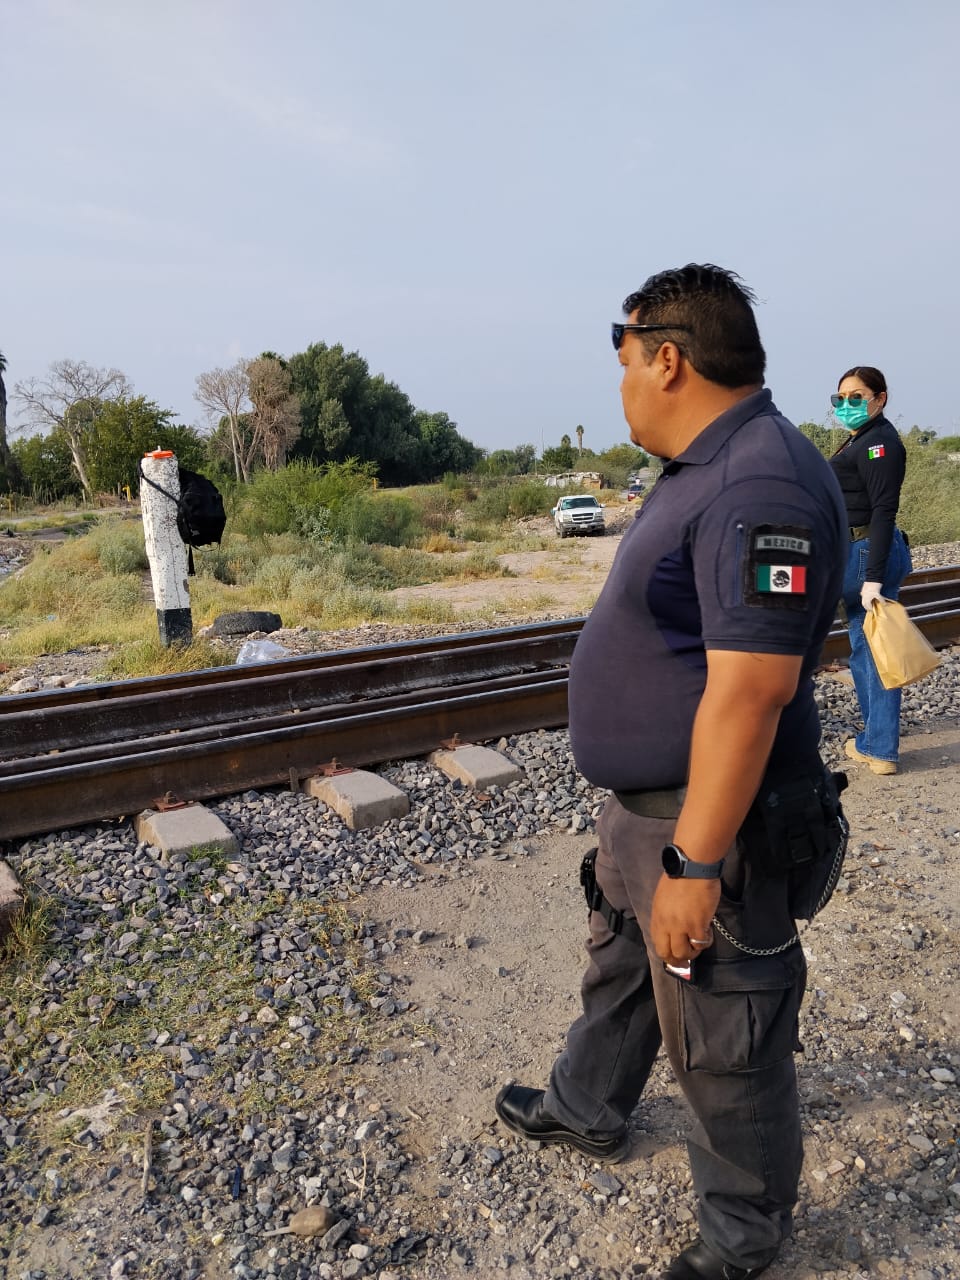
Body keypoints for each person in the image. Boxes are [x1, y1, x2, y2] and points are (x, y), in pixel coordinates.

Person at [494, 265, 848, 1280]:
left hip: (707, 823)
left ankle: (743, 1238)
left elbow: (750, 692)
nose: (621, 389)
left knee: (727, 1032)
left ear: (667, 356)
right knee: (623, 968)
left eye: (623, 366)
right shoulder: (707, 465)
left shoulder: (758, 482)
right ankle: (588, 1103)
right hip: (646, 813)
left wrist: (694, 862)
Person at [828, 367, 911, 775]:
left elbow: (883, 510)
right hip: (855, 549)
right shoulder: (863, 438)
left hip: (864, 551)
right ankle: (878, 742)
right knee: (866, 648)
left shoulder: (880, 443)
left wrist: (873, 578)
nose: (847, 405)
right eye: (840, 398)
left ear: (880, 398)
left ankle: (880, 745)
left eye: (856, 397)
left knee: (874, 648)